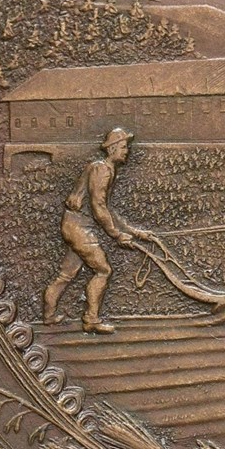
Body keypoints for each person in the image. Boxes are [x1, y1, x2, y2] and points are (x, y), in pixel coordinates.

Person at [43, 127, 148, 334]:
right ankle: (91, 319)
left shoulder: (103, 168)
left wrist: (135, 232)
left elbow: (108, 209)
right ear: (112, 149)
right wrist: (116, 235)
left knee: (66, 274)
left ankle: (48, 315)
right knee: (103, 270)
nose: (127, 151)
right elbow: (98, 207)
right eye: (124, 147)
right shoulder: (102, 170)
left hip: (73, 226)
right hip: (79, 228)